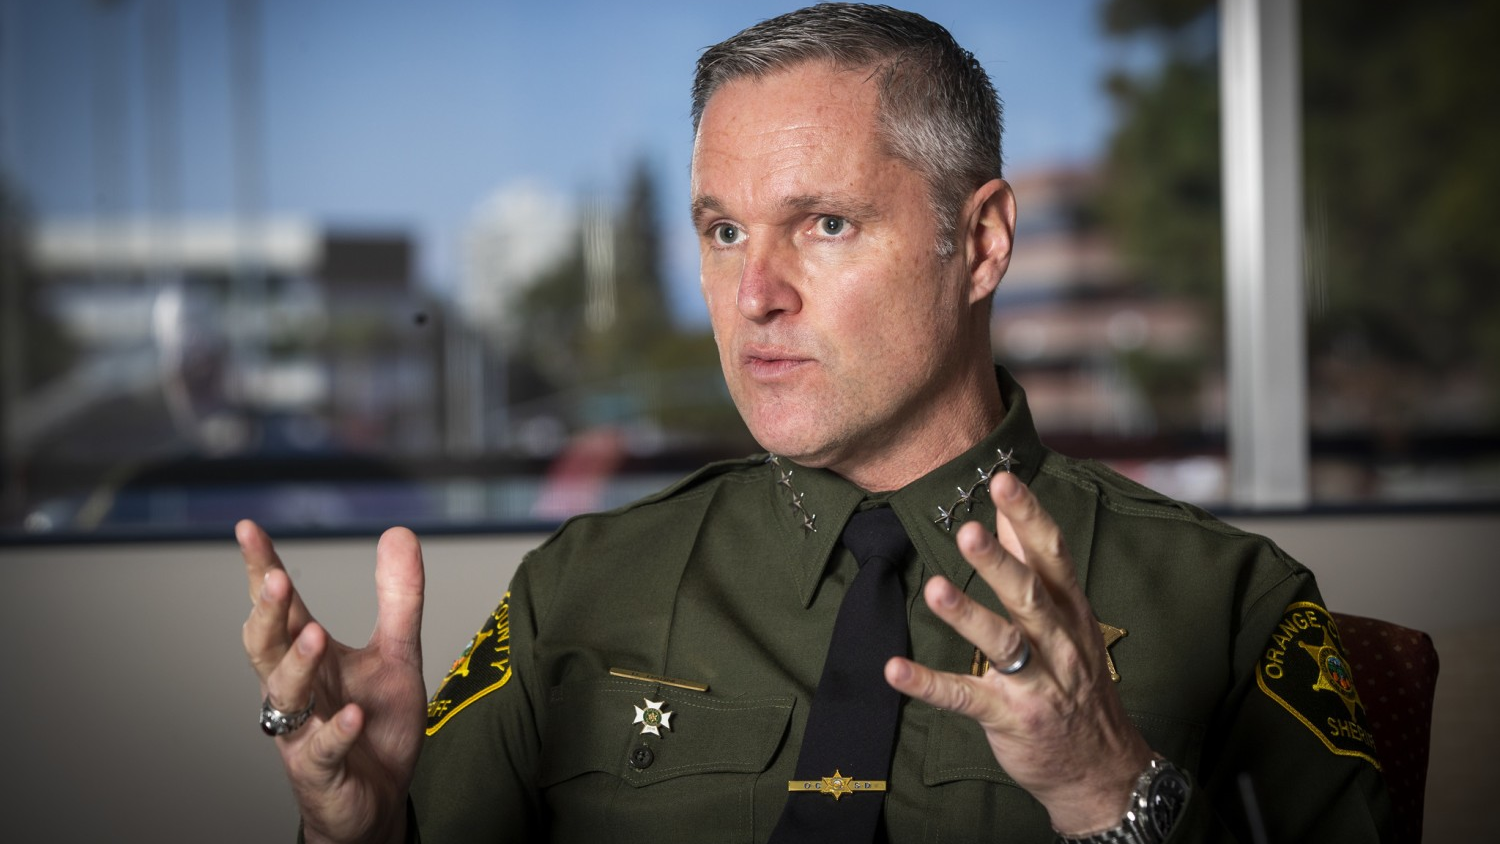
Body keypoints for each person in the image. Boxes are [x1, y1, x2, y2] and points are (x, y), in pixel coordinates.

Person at [240, 5, 1393, 843]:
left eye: (825, 224)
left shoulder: (1232, 604)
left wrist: (1110, 796)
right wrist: (362, 833)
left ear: (981, 243)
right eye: (724, 232)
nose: (754, 295)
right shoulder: (576, 590)